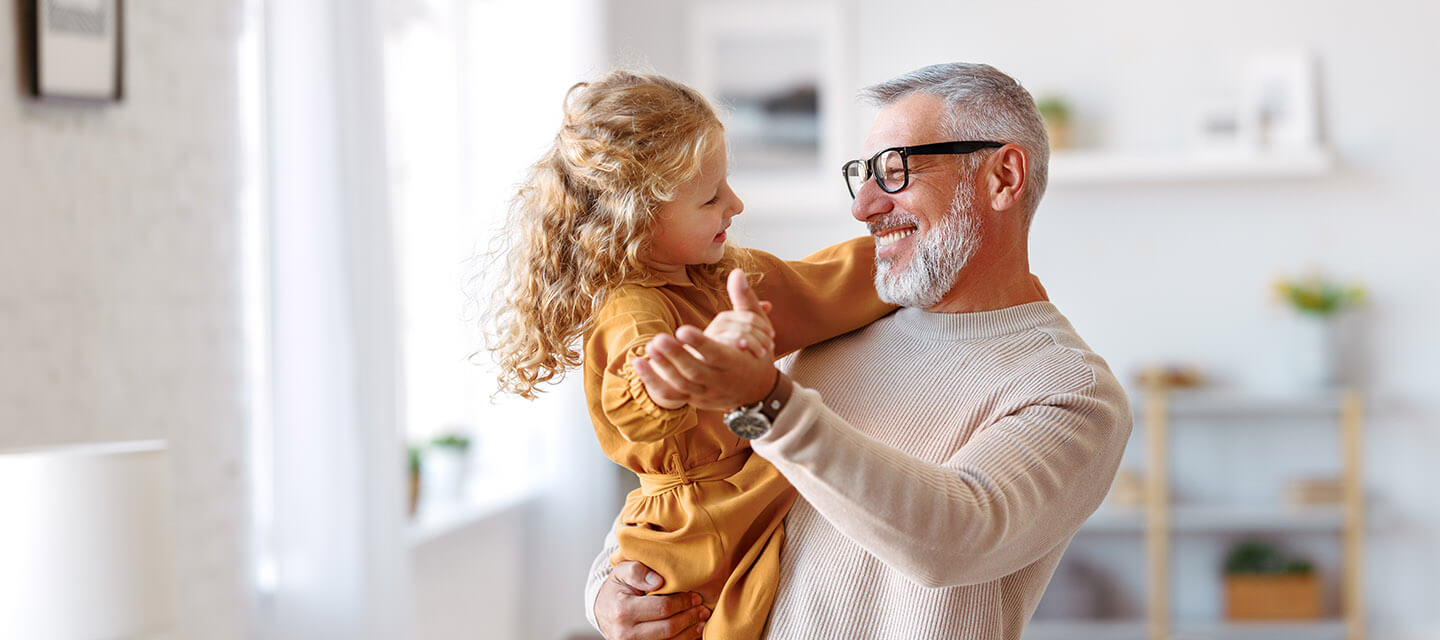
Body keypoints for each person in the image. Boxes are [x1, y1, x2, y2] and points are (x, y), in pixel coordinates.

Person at [585, 62, 1133, 640]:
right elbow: (704, 488)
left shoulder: (1070, 390)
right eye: (862, 174)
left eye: (895, 172)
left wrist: (767, 402)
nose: (864, 205)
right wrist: (608, 594)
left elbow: (953, 538)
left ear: (1003, 176)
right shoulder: (837, 324)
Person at [486, 70, 894, 639]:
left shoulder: (720, 276)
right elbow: (638, 392)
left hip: (736, 496)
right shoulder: (632, 308)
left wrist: (907, 258)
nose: (736, 203)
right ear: (637, 218)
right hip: (693, 531)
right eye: (711, 197)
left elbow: (819, 285)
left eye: (728, 183)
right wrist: (694, 368)